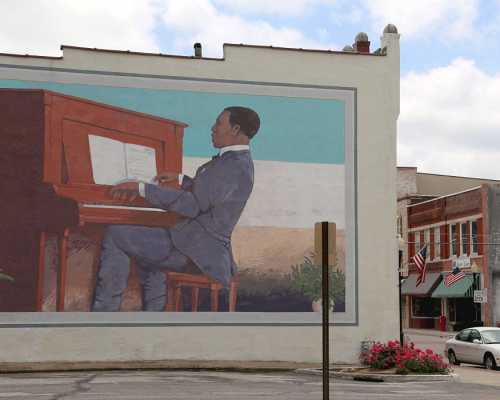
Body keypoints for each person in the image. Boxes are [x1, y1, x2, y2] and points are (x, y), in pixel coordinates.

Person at [91, 106, 260, 311]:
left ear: (235, 129)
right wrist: (181, 179)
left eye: (218, 123)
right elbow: (209, 193)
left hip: (194, 252)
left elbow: (192, 205)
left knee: (116, 234)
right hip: (198, 246)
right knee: (150, 247)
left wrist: (142, 188)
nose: (213, 128)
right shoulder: (237, 162)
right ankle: (155, 314)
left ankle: (104, 311)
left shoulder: (231, 165)